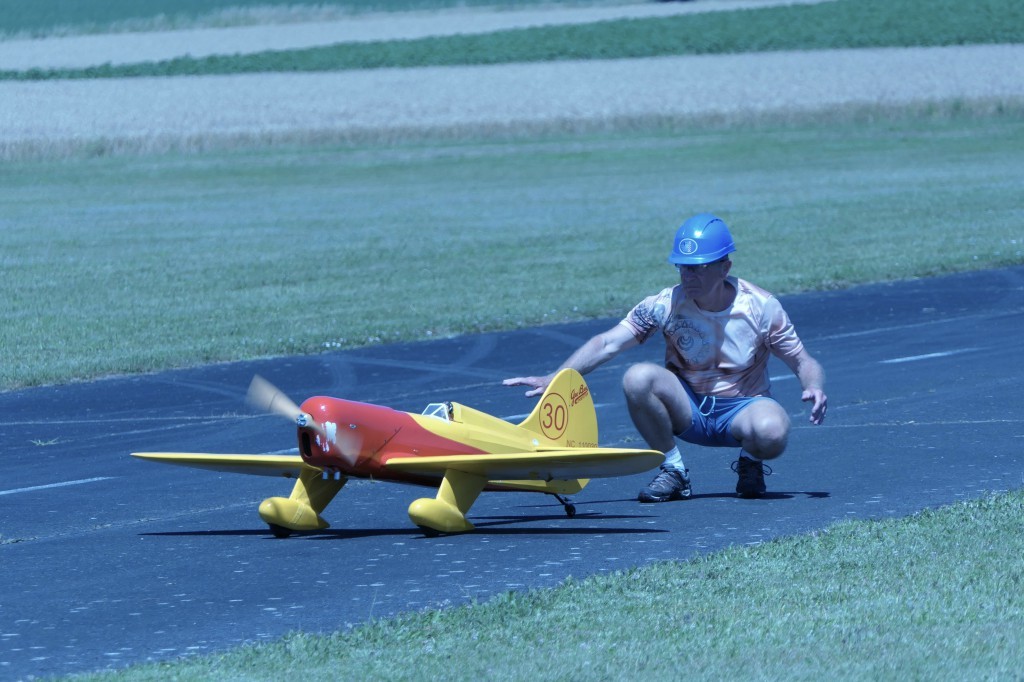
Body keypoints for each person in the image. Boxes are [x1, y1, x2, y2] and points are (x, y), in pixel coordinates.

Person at [504, 213, 827, 501]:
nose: (689, 278)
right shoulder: (665, 304)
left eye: (698, 268)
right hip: (686, 406)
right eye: (683, 268)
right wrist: (556, 378)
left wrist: (813, 386)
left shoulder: (761, 307)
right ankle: (674, 471)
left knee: (772, 432)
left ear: (724, 267)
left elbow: (802, 361)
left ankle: (750, 463)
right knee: (637, 377)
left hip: (742, 407)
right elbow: (607, 343)